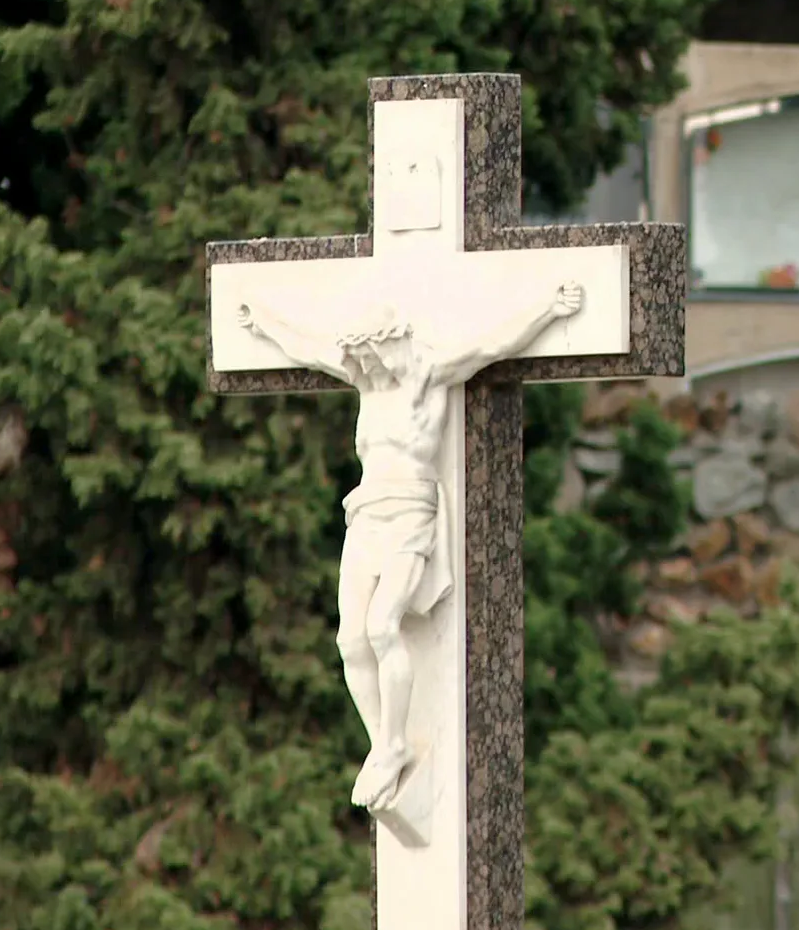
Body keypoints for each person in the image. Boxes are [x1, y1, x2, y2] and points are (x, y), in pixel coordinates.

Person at [234, 282, 584, 811]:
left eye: (374, 349)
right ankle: (384, 744)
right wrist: (262, 322)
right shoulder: (364, 381)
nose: (366, 360)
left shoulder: (428, 374)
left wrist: (549, 309)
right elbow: (304, 347)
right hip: (366, 512)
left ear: (394, 342)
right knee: (351, 640)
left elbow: (493, 346)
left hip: (411, 514)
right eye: (360, 352)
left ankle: (394, 743)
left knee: (382, 626)